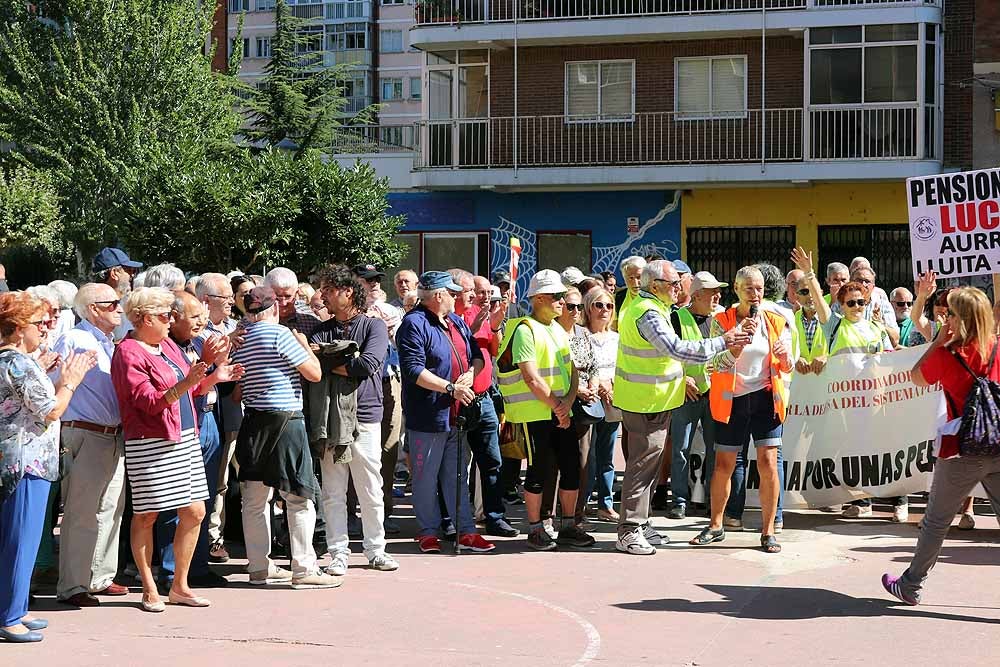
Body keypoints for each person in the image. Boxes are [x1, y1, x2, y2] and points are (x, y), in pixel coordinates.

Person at [111, 287, 241, 611]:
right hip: (150, 442)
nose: (171, 321)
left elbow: (193, 384)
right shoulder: (128, 352)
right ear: (143, 318)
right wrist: (188, 381)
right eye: (164, 315)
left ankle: (180, 586)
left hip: (184, 436)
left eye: (171, 315)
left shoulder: (166, 344)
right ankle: (149, 587)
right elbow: (147, 403)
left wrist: (211, 369)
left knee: (196, 510)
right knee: (147, 515)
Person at [614, 262, 747, 555]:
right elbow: (674, 348)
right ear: (655, 285)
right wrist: (721, 341)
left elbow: (679, 356)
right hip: (644, 401)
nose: (678, 288)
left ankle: (642, 522)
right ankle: (629, 530)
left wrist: (724, 353)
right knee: (640, 468)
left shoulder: (655, 308)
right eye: (673, 283)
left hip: (654, 400)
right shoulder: (647, 312)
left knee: (649, 467)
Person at [882, 287, 1000, 606]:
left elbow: (916, 377)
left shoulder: (950, 354)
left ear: (960, 319)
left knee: (936, 521)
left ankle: (910, 584)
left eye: (951, 314)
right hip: (998, 444)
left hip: (963, 450)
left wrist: (938, 340)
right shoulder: (996, 348)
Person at [230, 286, 340, 589]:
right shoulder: (281, 334)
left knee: (253, 500)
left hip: (253, 420)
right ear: (275, 307)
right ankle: (304, 568)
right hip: (285, 420)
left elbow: (237, 388)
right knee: (299, 497)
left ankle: (258, 567)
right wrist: (303, 344)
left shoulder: (240, 340)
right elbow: (314, 373)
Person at [0, 292, 94, 642]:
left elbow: (36, 404)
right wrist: (70, 380)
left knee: (18, 539)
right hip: (26, 462)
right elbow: (51, 410)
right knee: (19, 540)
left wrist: (55, 377)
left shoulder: (19, 361)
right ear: (19, 328)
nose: (46, 328)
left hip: (23, 459)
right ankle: (9, 617)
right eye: (39, 323)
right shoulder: (17, 362)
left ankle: (16, 608)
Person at [690, 266, 792, 554]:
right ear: (736, 289)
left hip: (765, 399)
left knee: (769, 463)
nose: (755, 294)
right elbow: (712, 364)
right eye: (749, 288)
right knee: (724, 464)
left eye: (759, 288)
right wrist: (736, 346)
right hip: (732, 401)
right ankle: (716, 525)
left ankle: (769, 530)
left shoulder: (775, 320)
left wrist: (785, 358)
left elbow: (786, 366)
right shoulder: (721, 320)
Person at [396, 271, 497, 554]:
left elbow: (476, 352)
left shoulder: (454, 322)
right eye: (452, 293)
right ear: (438, 295)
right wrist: (450, 387)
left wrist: (469, 374)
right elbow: (414, 370)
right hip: (428, 416)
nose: (457, 298)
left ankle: (465, 530)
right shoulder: (413, 324)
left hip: (457, 415)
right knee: (426, 478)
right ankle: (427, 532)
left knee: (456, 477)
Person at [496, 269, 594, 551]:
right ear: (539, 298)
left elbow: (572, 370)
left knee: (571, 468)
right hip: (534, 414)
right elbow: (531, 377)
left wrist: (566, 404)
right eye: (558, 297)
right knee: (539, 471)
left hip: (560, 411)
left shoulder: (556, 329)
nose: (563, 301)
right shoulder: (525, 330)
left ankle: (567, 526)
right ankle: (536, 528)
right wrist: (558, 407)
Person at [311, 266, 399, 575]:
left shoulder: (373, 327)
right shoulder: (321, 331)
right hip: (330, 419)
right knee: (334, 490)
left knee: (370, 486)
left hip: (365, 415)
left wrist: (329, 359)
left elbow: (368, 364)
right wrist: (335, 358)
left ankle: (376, 550)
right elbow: (314, 366)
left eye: (330, 290)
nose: (324, 295)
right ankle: (338, 552)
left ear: (348, 291)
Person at [52, 284, 130, 607]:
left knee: (112, 509)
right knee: (81, 513)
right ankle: (73, 585)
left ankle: (99, 577)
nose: (120, 309)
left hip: (112, 435)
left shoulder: (109, 343)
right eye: (113, 304)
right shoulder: (75, 339)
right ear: (93, 309)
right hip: (84, 433)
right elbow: (55, 384)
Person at [155, 292, 231, 590]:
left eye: (202, 314)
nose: (201, 321)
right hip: (183, 425)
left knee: (204, 498)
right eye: (194, 315)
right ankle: (172, 572)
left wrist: (220, 365)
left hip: (209, 419)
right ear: (173, 319)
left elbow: (206, 383)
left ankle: (197, 566)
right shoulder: (164, 347)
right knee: (175, 501)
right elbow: (186, 388)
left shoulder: (200, 341)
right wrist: (209, 364)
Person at [825, 280, 905, 522]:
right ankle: (862, 502)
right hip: (848, 405)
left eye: (861, 301)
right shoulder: (835, 326)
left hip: (876, 401)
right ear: (841, 305)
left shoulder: (876, 328)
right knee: (855, 452)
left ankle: (900, 501)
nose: (857, 306)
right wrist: (809, 275)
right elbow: (819, 306)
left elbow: (890, 357)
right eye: (851, 302)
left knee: (885, 451)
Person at [450, 270, 517, 538]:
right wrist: (476, 326)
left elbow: (493, 349)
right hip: (460, 399)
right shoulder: (458, 316)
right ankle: (456, 518)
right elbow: (461, 347)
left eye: (490, 292)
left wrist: (497, 324)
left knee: (491, 461)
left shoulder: (486, 314)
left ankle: (494, 516)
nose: (487, 296)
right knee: (457, 464)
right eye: (481, 292)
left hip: (485, 396)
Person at [667, 271, 729, 520]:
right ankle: (679, 500)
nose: (718, 295)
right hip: (687, 394)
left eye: (719, 292)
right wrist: (682, 379)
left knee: (716, 449)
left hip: (715, 393)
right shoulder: (676, 318)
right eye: (713, 292)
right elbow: (667, 353)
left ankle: (712, 501)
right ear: (698, 295)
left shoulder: (721, 318)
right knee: (680, 448)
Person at [196, 273, 244, 564]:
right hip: (211, 414)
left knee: (235, 479)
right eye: (224, 297)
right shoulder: (200, 332)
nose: (230, 302)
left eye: (230, 297)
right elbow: (211, 367)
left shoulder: (234, 328)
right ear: (205, 301)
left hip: (235, 413)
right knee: (216, 480)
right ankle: (211, 539)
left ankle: (222, 534)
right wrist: (227, 346)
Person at [92, 247, 142, 342]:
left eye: (134, 271)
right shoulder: (96, 307)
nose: (132, 275)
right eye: (130, 270)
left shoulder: (128, 301)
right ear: (114, 273)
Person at [266, 267, 321, 339]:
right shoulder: (252, 324)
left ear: (296, 293)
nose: (283, 303)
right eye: (277, 298)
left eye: (288, 296)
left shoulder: (311, 322)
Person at [613, 256, 646, 332]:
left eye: (639, 277)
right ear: (624, 279)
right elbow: (614, 328)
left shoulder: (656, 296)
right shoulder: (617, 298)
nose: (635, 282)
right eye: (630, 278)